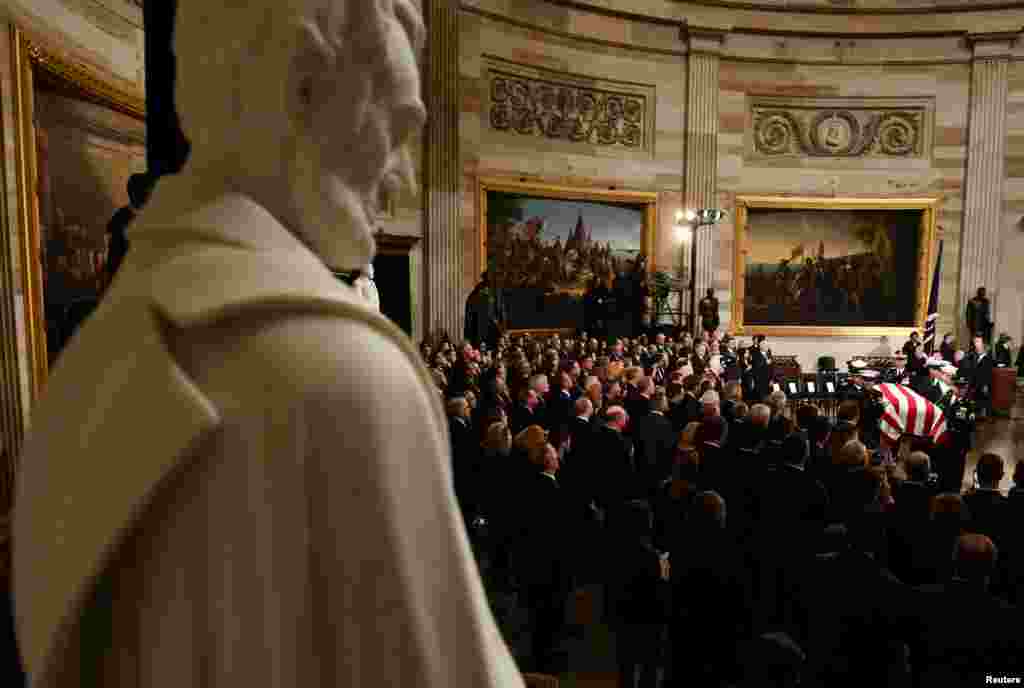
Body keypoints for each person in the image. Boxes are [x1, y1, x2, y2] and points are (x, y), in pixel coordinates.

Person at [12, 1, 524, 686]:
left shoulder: (89, 361)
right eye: (394, 124)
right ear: (304, 90)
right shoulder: (350, 373)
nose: (400, 175)